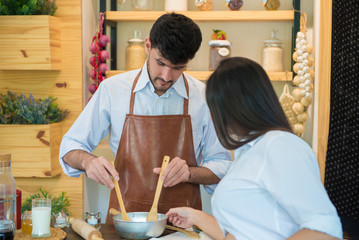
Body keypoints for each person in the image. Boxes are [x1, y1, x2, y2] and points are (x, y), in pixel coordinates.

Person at [59, 13, 232, 223]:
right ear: (148, 46)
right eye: (161, 63)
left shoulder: (203, 97)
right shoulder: (113, 90)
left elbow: (222, 164)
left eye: (177, 68)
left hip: (184, 225)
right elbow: (69, 148)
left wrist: (189, 173)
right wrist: (88, 161)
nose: (166, 77)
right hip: (125, 223)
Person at [166, 57, 343, 240]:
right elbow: (245, 231)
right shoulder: (248, 151)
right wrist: (195, 216)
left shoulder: (280, 145)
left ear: (236, 106)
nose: (211, 117)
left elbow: (324, 230)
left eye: (214, 108)